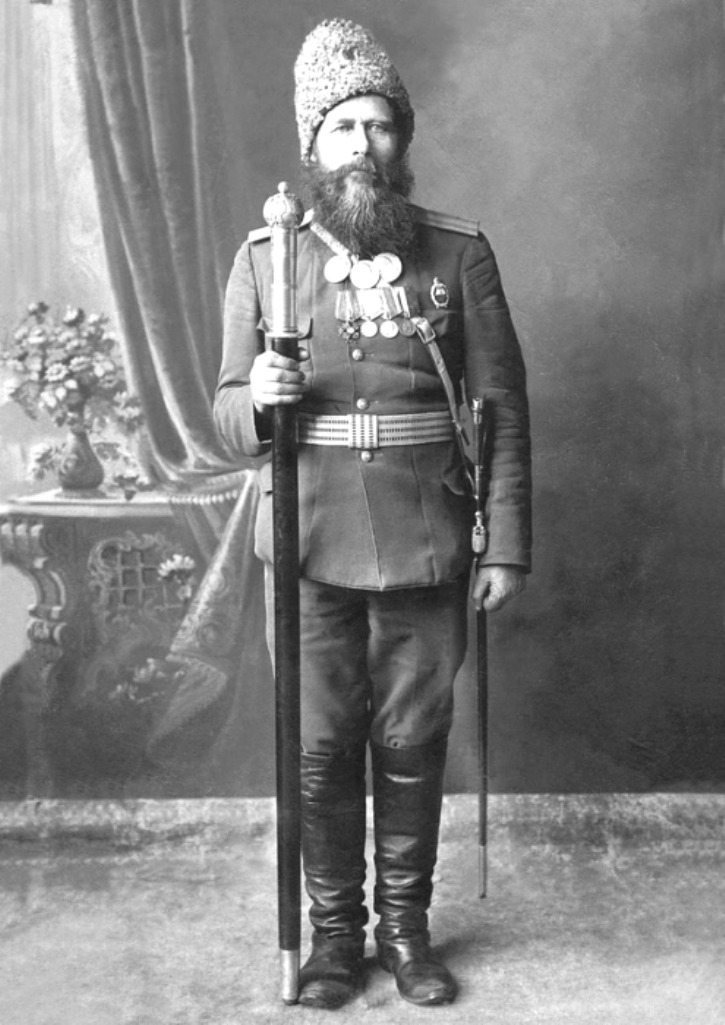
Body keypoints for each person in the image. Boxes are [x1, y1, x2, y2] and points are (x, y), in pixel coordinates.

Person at [215, 18, 531, 1010]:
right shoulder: (266, 258)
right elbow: (225, 415)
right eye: (342, 126)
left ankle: (404, 930)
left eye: (379, 124)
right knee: (318, 747)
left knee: (410, 738)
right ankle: (333, 941)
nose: (362, 143)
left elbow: (503, 409)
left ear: (402, 139)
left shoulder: (457, 254)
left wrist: (505, 544)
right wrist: (259, 396)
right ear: (312, 145)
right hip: (307, 540)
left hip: (428, 536)